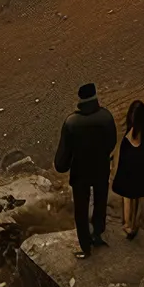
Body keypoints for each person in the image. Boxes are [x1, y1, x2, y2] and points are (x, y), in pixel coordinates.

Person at [53, 81, 118, 257]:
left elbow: (63, 156)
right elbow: (112, 142)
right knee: (100, 202)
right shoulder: (106, 117)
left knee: (81, 210)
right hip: (100, 169)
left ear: (80, 99)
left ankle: (85, 246)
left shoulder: (71, 122)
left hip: (80, 173)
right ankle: (98, 232)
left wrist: (62, 166)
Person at [111, 99, 144, 239]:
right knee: (138, 197)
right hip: (141, 178)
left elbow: (124, 163)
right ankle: (135, 223)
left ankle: (128, 225)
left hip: (129, 176)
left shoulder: (128, 138)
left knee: (128, 198)